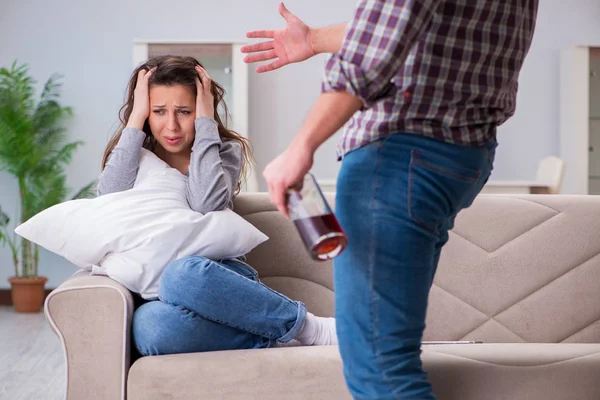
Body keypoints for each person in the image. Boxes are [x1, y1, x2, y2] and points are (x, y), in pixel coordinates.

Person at [242, 1, 539, 398]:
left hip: (399, 158)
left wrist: (301, 146)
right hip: (461, 154)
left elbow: (373, 49)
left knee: (380, 369)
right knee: (388, 357)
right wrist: (313, 39)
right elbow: (401, 30)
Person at [98, 55, 337, 356]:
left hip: (214, 277)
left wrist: (206, 125)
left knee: (180, 274)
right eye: (158, 111)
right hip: (155, 291)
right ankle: (271, 337)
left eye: (184, 112)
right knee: (150, 327)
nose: (171, 125)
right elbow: (107, 199)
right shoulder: (135, 154)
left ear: (200, 109)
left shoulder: (224, 151)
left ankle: (310, 328)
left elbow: (205, 203)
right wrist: (135, 122)